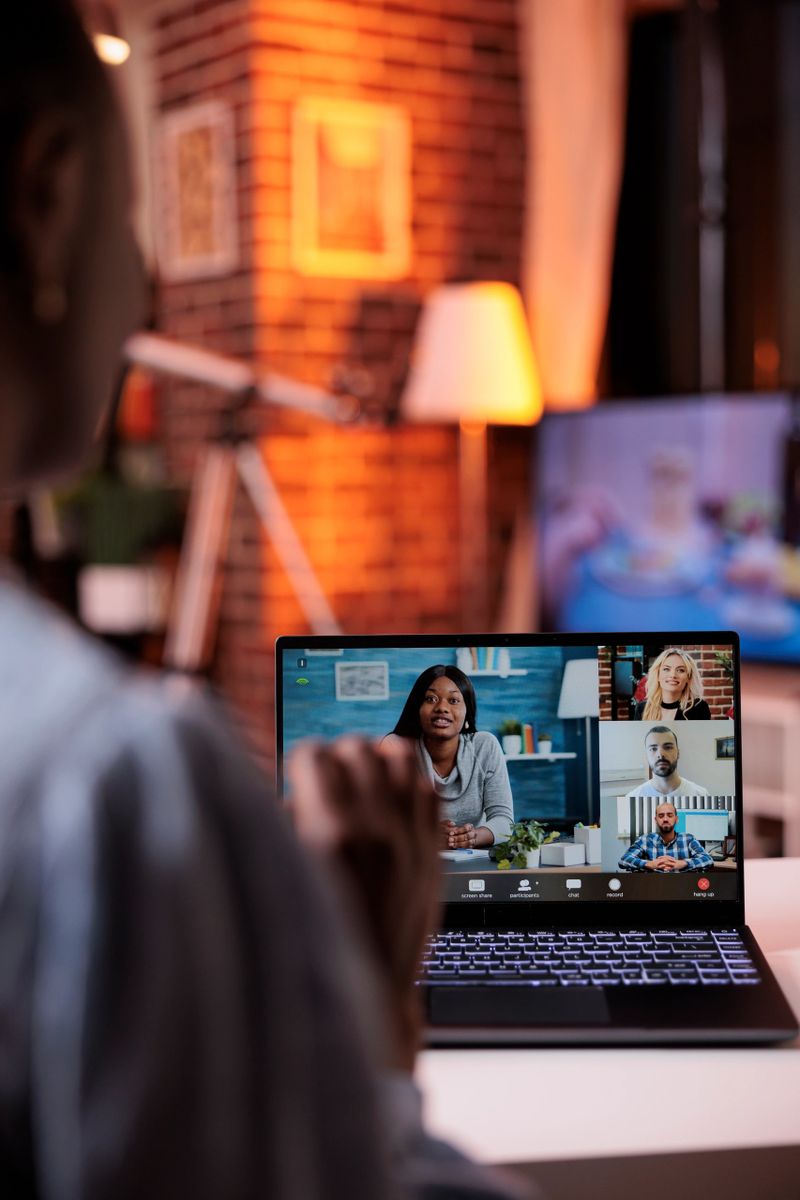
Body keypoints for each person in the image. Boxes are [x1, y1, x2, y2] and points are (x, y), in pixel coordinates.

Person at [0, 5, 533, 1197]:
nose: (143, 281)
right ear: (48, 196)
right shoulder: (109, 787)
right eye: (136, 220)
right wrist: (364, 995)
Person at [386, 665, 514, 850]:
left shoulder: (485, 746)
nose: (442, 708)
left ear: (467, 711)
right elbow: (383, 822)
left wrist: (472, 837)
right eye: (431, 699)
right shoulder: (396, 749)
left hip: (473, 863)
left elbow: (504, 821)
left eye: (453, 700)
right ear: (417, 708)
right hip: (414, 862)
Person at [618, 800, 714, 872]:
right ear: (656, 820)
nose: (665, 819)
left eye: (669, 815)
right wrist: (648, 864)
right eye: (661, 816)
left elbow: (708, 859)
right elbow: (624, 860)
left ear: (676, 819)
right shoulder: (645, 839)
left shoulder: (688, 839)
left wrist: (683, 863)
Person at [624, 727, 709, 799]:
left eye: (668, 747)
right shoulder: (632, 798)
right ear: (646, 756)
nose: (661, 754)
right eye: (653, 749)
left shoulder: (701, 795)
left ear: (678, 753)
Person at [638, 647, 711, 721]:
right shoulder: (642, 708)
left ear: (689, 677)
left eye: (680, 670)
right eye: (666, 669)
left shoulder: (699, 707)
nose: (673, 675)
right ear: (657, 675)